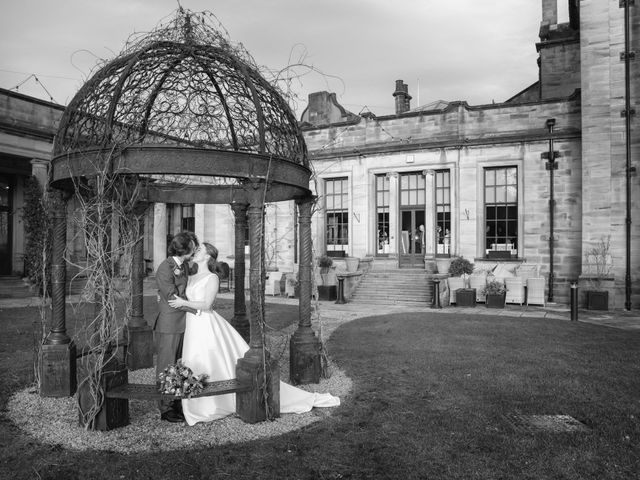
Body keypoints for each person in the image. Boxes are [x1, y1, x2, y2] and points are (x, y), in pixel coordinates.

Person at [168, 242, 340, 426]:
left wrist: (182, 303)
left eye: (200, 249)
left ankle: (213, 404)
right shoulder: (192, 276)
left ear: (208, 256)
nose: (195, 251)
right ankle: (196, 401)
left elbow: (206, 305)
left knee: (210, 358)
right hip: (192, 324)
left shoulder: (212, 278)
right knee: (195, 360)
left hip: (205, 322)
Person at [154, 231, 199, 423]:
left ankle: (177, 401)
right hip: (170, 324)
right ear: (183, 250)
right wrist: (198, 310)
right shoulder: (166, 268)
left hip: (182, 323)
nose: (195, 252)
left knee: (180, 363)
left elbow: (183, 294)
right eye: (193, 249)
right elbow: (173, 298)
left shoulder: (184, 266)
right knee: (166, 366)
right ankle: (165, 408)